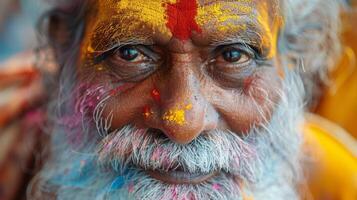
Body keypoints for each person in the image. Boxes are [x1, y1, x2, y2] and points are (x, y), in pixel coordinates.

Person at [0, 0, 356, 200]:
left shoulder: (335, 186)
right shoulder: (13, 161)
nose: (182, 123)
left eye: (233, 55)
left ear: (289, 62)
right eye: (129, 53)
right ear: (64, 57)